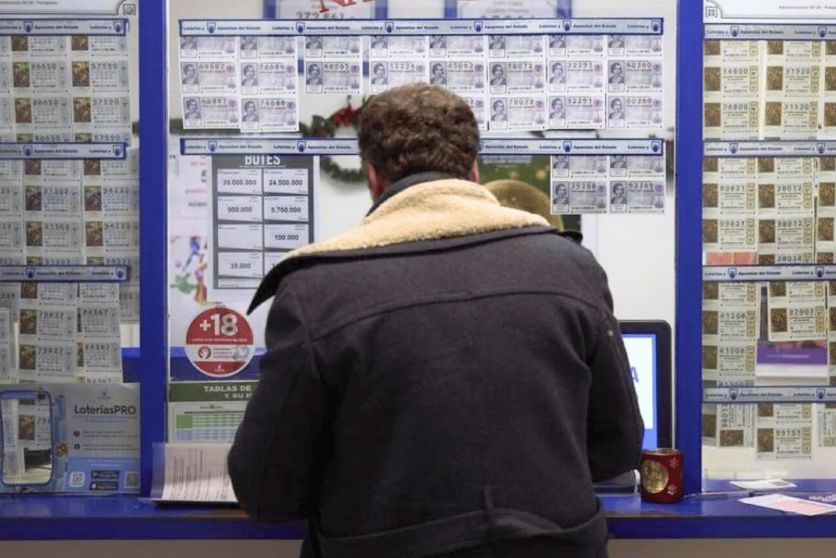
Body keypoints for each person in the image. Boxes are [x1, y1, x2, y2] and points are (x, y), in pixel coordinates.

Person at [229, 83, 642, 558]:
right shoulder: (572, 269)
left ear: (373, 177)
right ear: (474, 171)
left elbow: (267, 491)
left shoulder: (316, 291)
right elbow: (617, 449)